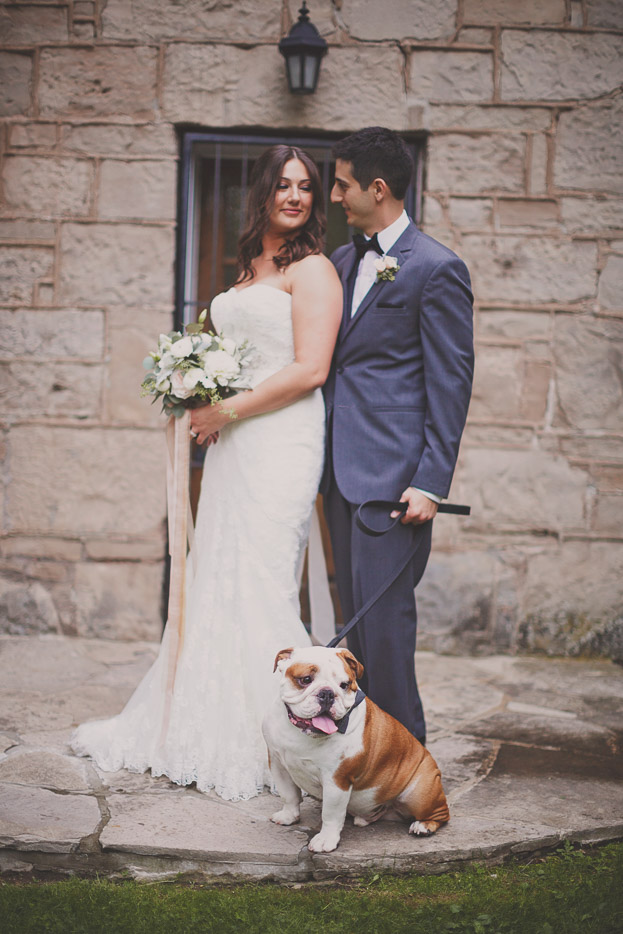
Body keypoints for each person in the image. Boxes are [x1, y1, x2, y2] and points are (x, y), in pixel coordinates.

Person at [72, 145, 342, 801]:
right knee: (219, 572)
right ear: (263, 193)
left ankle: (280, 736)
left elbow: (310, 370)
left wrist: (223, 407)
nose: (294, 196)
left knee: (264, 575)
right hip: (234, 442)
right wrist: (195, 389)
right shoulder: (250, 267)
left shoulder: (313, 271)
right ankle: (205, 722)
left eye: (305, 186)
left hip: (280, 438)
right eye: (282, 184)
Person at [321, 127, 474, 744]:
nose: (334, 196)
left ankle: (412, 767)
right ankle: (364, 764)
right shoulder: (339, 261)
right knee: (354, 641)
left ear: (376, 188)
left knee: (386, 633)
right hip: (339, 475)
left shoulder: (437, 269)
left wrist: (430, 482)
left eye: (342, 183)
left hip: (393, 486)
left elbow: (451, 383)